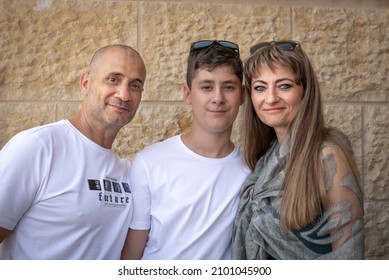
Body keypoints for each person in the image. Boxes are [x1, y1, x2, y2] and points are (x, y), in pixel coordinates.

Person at [0, 44, 146, 259]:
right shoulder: (38, 147)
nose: (124, 94)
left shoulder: (126, 171)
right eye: (113, 79)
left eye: (134, 85)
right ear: (86, 83)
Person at [232, 40, 364, 259]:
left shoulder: (327, 156)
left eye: (284, 85)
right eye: (260, 87)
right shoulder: (266, 157)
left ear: (305, 91)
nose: (271, 98)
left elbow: (349, 257)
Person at [121, 40, 250, 260]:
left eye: (228, 87)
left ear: (242, 95)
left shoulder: (253, 169)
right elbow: (132, 253)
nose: (218, 98)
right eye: (206, 87)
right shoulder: (149, 163)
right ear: (188, 94)